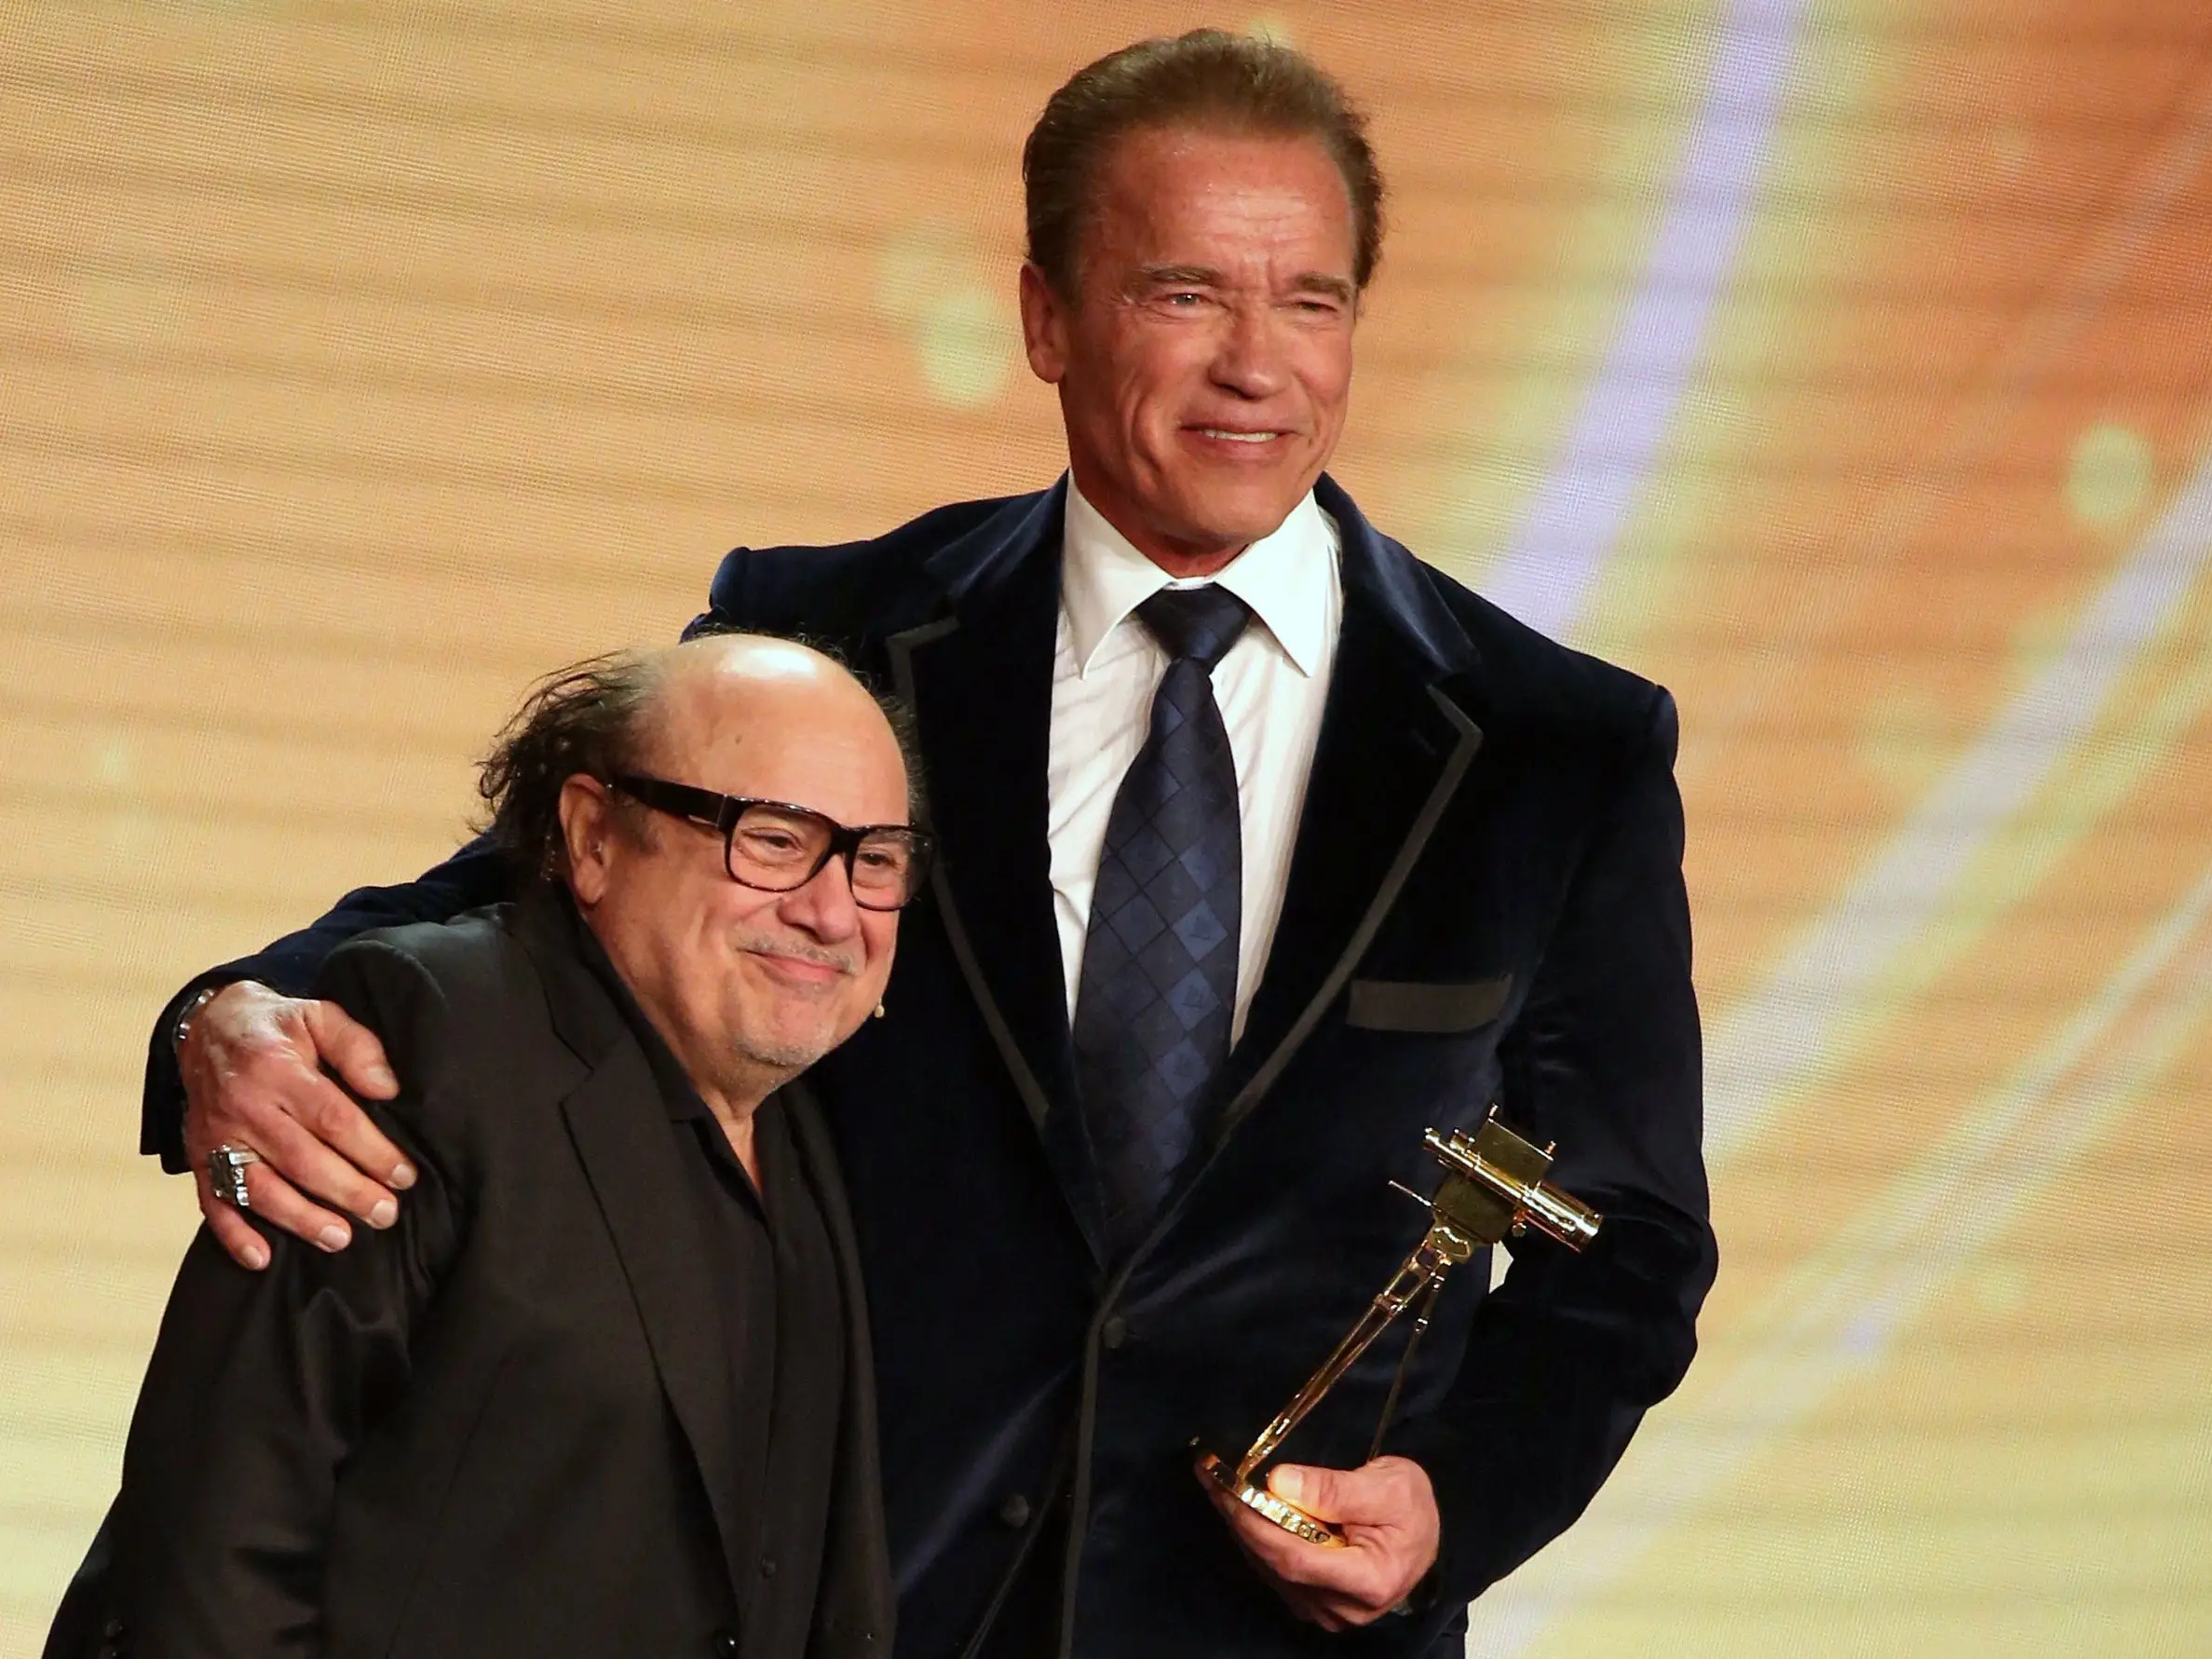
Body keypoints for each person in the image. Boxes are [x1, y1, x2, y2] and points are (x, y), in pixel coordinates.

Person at [129, 30, 1717, 1659]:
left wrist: (1455, 1498)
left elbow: (1635, 1242)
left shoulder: (1556, 751)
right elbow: (525, 894)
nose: (1259, 364)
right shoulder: (829, 634)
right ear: (1045, 316)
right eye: (1185, 294)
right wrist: (235, 1012)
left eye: (1310, 300)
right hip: (847, 1601)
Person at [52, 635, 916, 1658]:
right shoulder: (424, 1034)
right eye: (773, 838)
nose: (831, 909)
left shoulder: (807, 1126)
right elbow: (216, 1544)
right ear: (593, 835)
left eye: (874, 859)